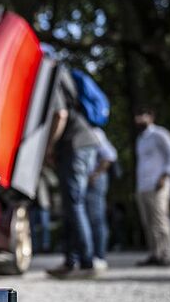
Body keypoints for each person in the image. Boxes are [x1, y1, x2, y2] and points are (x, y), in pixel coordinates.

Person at [45, 67, 101, 278]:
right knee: (72, 204)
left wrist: (50, 147)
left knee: (74, 203)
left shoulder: (52, 79)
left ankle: (86, 262)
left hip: (75, 146)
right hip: (81, 145)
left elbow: (60, 114)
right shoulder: (63, 80)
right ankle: (71, 261)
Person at [134, 107, 170, 266]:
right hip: (143, 186)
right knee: (148, 221)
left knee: (160, 219)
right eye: (137, 116)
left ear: (151, 116)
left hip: (158, 184)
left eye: (141, 115)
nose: (138, 119)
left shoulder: (159, 134)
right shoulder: (141, 139)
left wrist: (164, 176)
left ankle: (166, 253)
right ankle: (154, 253)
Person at [86, 127, 117, 270]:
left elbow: (109, 155)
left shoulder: (95, 132)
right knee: (90, 219)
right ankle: (92, 255)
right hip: (88, 181)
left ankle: (99, 256)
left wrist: (96, 174)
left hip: (95, 181)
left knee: (96, 218)